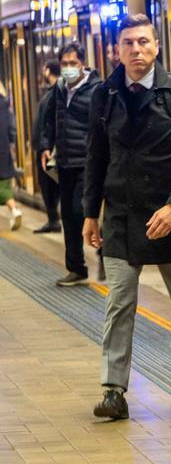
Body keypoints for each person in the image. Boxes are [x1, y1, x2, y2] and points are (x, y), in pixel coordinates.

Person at [83, 14, 171, 419]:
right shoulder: (104, 96)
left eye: (143, 42)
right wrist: (90, 212)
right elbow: (95, 157)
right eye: (128, 44)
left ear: (157, 46)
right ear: (116, 51)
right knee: (119, 302)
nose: (136, 50)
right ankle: (113, 389)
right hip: (121, 217)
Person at [40, 42, 103, 285]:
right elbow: (49, 121)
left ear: (82, 64)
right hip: (64, 161)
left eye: (72, 64)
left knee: (81, 210)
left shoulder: (96, 90)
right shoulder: (58, 89)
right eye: (64, 64)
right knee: (67, 214)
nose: (68, 68)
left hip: (88, 162)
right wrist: (46, 145)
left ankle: (102, 251)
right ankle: (76, 267)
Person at [32, 61, 61, 233]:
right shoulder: (52, 92)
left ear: (48, 70)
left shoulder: (55, 93)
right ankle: (53, 218)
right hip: (46, 146)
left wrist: (45, 146)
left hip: (48, 149)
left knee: (49, 185)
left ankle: (53, 219)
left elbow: (48, 123)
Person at [0, 83, 22, 231]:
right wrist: (11, 146)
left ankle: (14, 210)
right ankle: (14, 210)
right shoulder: (5, 106)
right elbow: (12, 129)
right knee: (4, 184)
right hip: (4, 149)